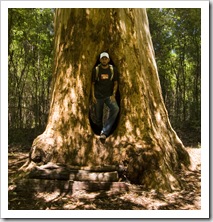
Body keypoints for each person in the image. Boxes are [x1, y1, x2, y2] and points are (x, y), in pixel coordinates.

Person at [91, 52, 119, 142]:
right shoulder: (96, 70)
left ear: (109, 60)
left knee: (115, 109)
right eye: (102, 58)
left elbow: (115, 83)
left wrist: (114, 95)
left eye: (105, 58)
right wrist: (93, 96)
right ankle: (99, 131)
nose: (104, 60)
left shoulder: (112, 70)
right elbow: (93, 84)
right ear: (100, 60)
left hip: (109, 96)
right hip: (98, 96)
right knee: (98, 117)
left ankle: (104, 132)